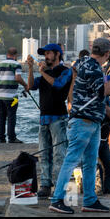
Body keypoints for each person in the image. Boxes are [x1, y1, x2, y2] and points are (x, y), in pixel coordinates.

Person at [49, 38, 110, 214]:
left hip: (93, 121)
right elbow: (103, 92)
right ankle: (57, 199)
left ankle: (90, 200)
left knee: (90, 162)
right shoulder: (93, 67)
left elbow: (96, 98)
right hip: (83, 122)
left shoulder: (86, 63)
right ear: (107, 54)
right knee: (71, 161)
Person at [26, 43, 73, 198]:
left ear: (57, 54)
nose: (46, 56)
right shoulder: (44, 73)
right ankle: (45, 185)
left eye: (48, 53)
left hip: (58, 118)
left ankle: (60, 187)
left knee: (59, 154)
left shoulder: (65, 71)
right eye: (44, 54)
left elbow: (59, 84)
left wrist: (44, 72)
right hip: (44, 118)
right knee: (44, 154)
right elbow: (31, 86)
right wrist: (32, 69)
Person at [0, 47, 29, 143]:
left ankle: (1, 138)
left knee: (1, 116)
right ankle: (12, 138)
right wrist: (26, 85)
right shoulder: (16, 64)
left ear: (7, 54)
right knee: (11, 116)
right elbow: (18, 78)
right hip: (12, 96)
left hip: (0, 95)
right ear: (16, 55)